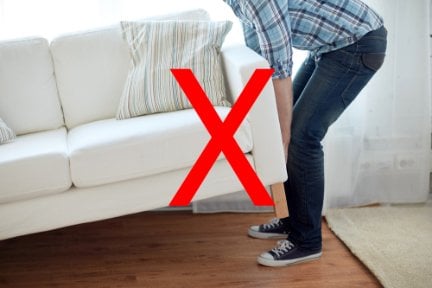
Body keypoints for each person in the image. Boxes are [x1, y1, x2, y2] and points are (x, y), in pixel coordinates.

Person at [223, 0, 387, 267]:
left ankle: (307, 241)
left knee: (302, 137)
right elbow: (261, 56)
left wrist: (282, 137)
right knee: (287, 135)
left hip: (358, 45)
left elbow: (279, 68)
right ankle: (291, 220)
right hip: (330, 47)